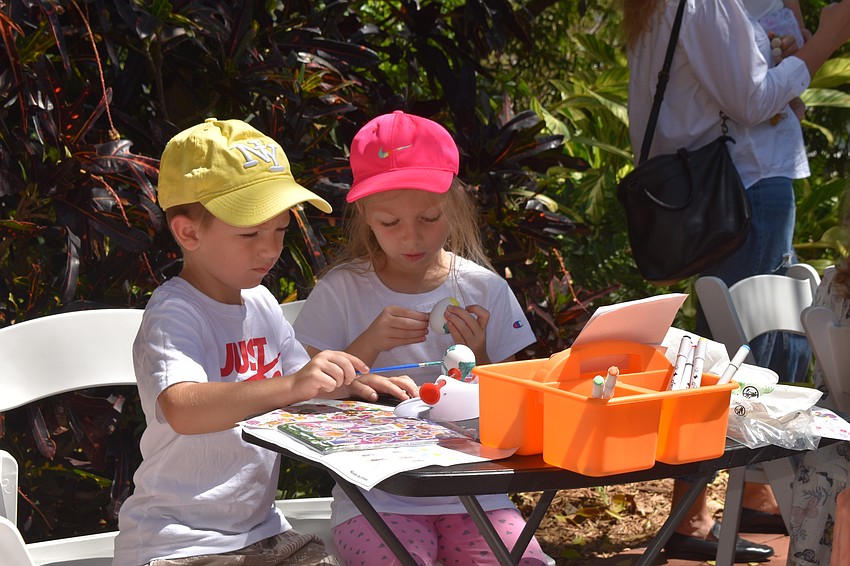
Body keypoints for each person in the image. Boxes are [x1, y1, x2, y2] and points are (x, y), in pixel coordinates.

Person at [112, 118, 400, 565]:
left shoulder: (261, 302)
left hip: (262, 533)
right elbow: (182, 408)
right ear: (189, 232)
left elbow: (299, 379)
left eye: (280, 230)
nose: (269, 250)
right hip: (179, 542)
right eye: (249, 234)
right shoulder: (174, 312)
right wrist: (292, 386)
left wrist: (346, 380)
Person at [623, 0, 850, 561]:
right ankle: (695, 514)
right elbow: (752, 100)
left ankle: (742, 497)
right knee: (744, 355)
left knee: (741, 350)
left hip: (725, 188)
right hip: (745, 186)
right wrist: (827, 40)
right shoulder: (707, 3)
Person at [293, 110, 549, 565]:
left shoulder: (483, 288)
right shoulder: (343, 290)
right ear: (365, 217)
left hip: (479, 491)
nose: (411, 237)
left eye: (429, 217)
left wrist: (484, 356)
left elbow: (519, 407)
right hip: (376, 497)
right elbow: (305, 399)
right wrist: (369, 342)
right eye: (390, 223)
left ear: (454, 208)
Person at [786, 257, 850, 565]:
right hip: (839, 421)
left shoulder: (835, 281)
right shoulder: (836, 284)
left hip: (835, 421)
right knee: (825, 463)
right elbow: (829, 380)